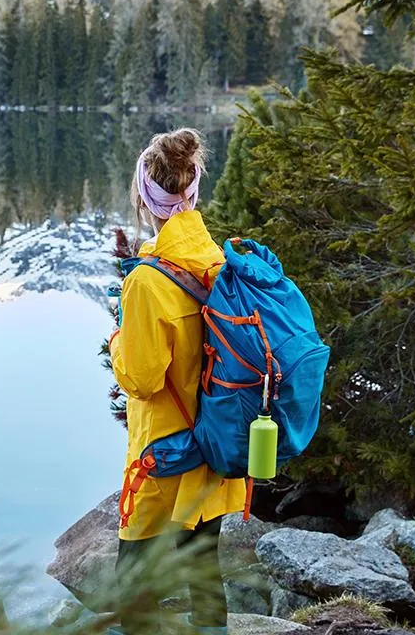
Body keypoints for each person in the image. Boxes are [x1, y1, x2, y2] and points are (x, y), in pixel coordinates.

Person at [108, 129, 246, 635]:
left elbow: (142, 380)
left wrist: (118, 338)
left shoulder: (147, 280)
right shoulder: (217, 261)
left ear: (146, 199)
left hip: (163, 453)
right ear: (193, 193)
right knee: (203, 565)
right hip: (212, 441)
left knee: (134, 577)